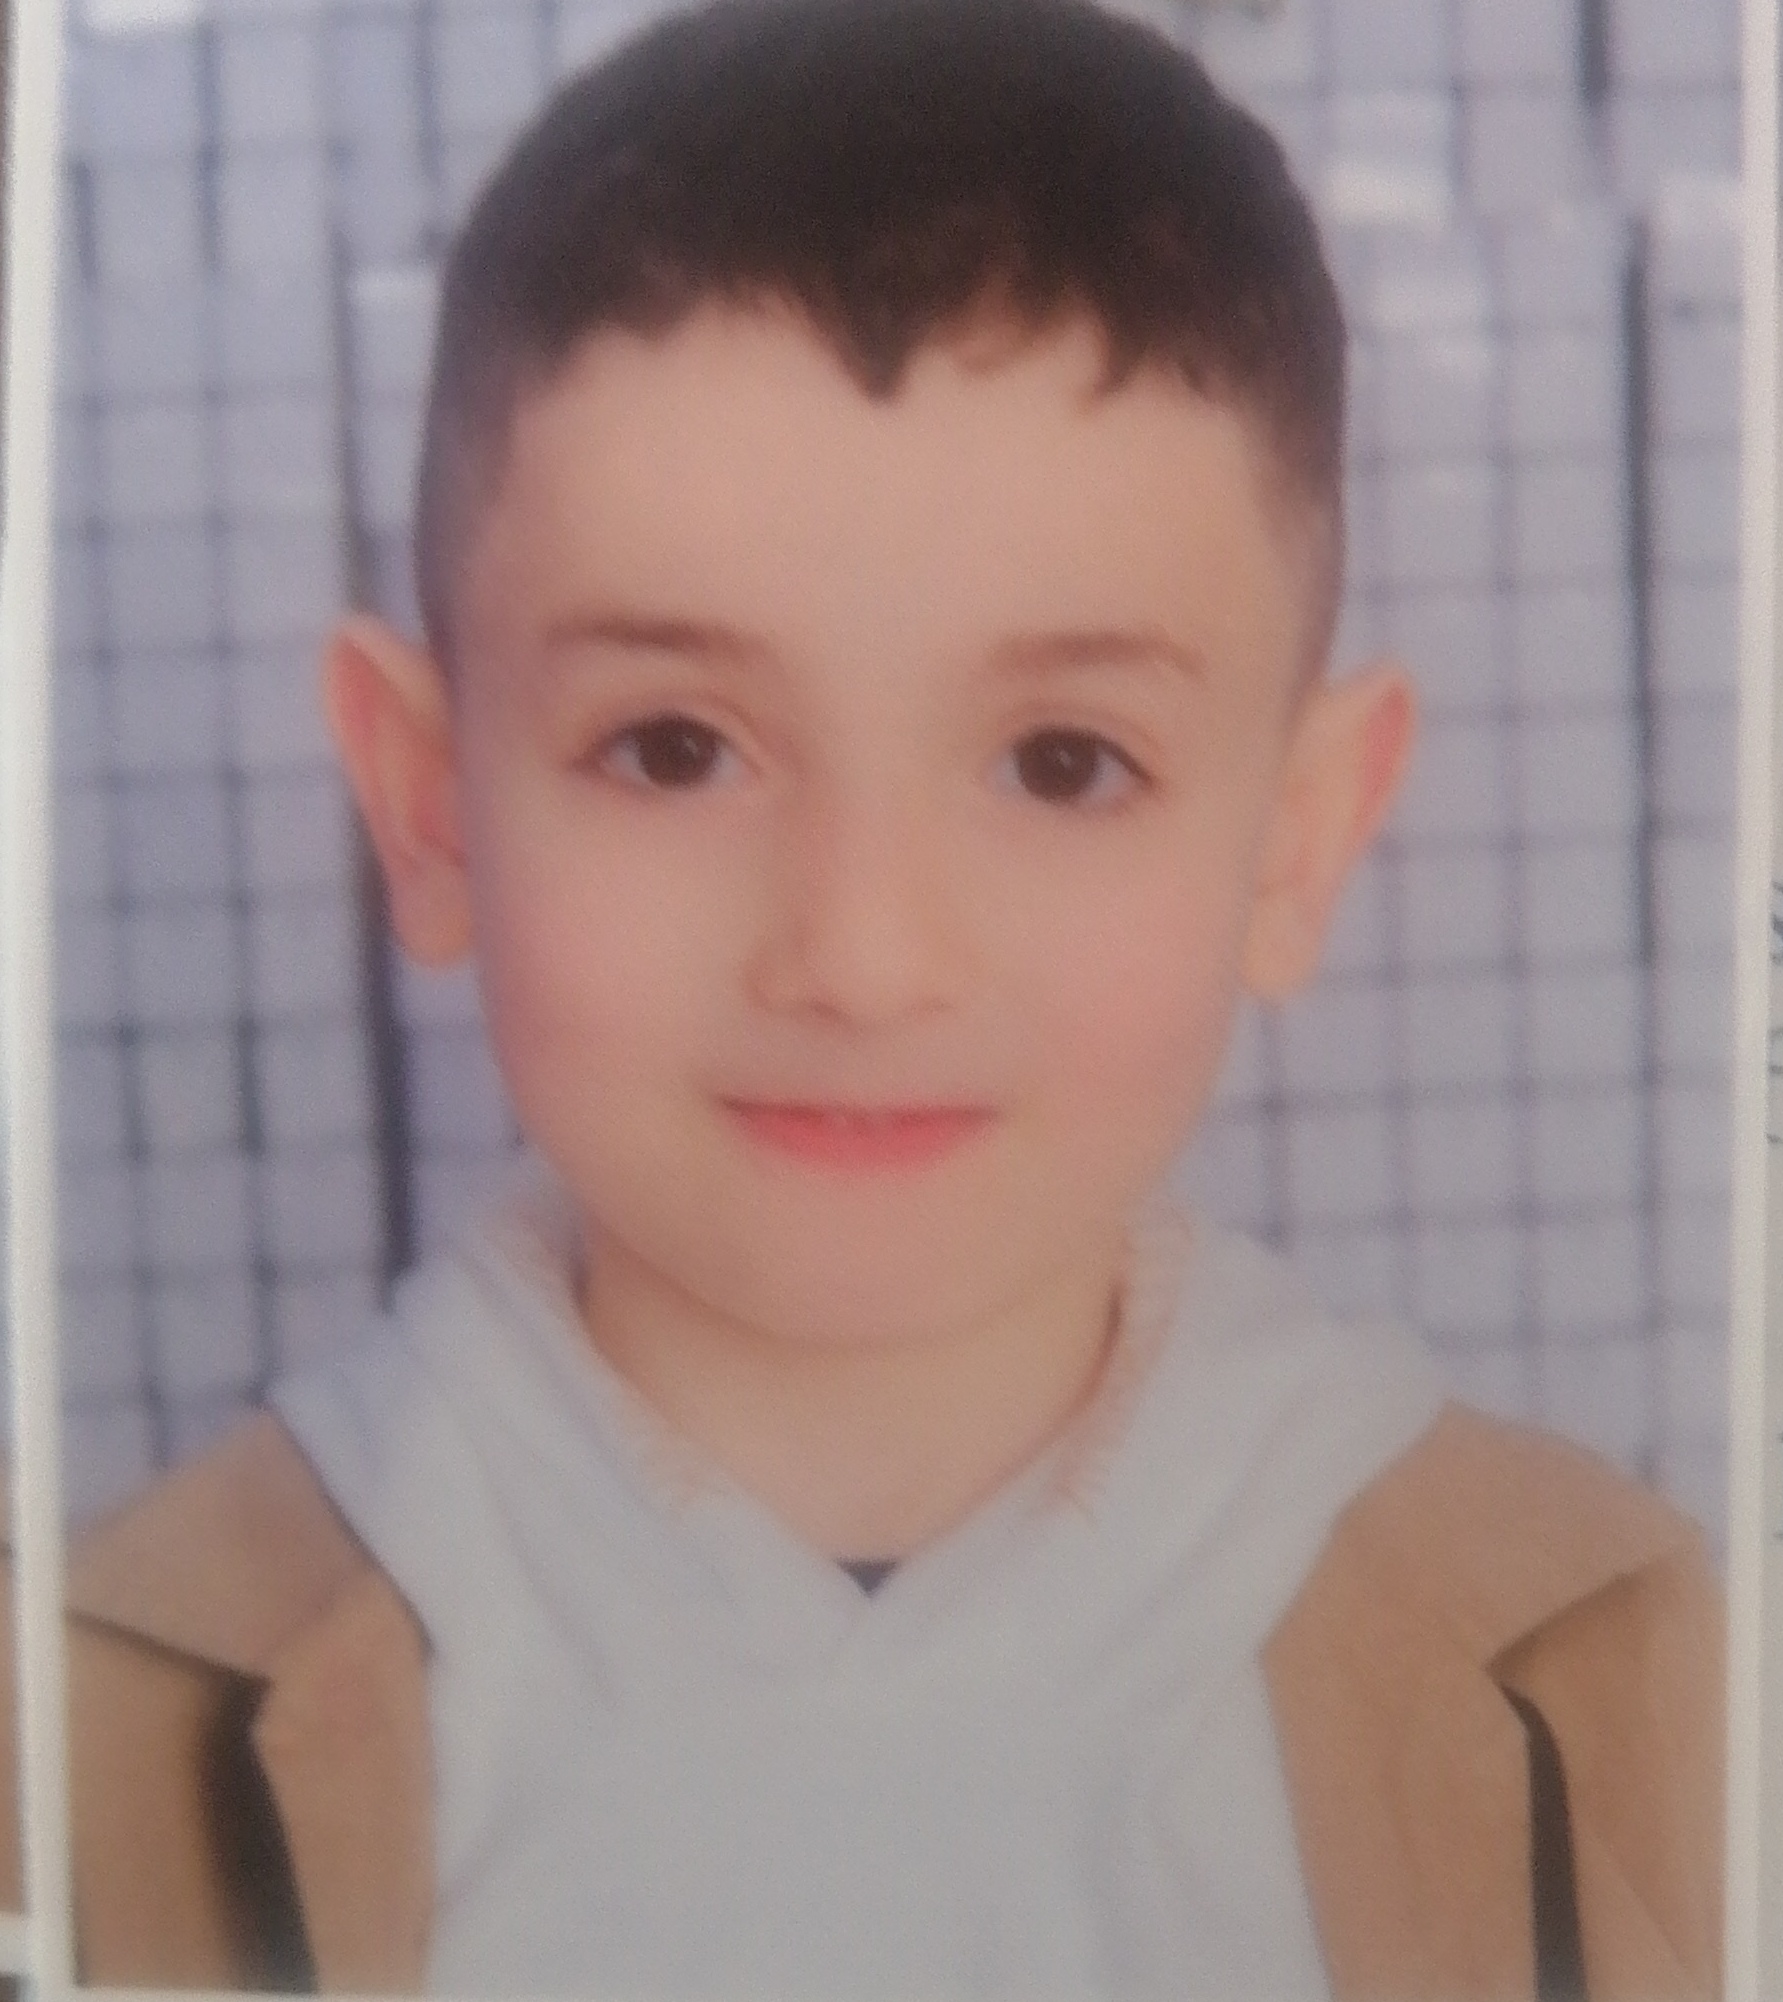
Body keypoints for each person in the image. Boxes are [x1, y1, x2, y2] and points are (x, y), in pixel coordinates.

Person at [24, 0, 1723, 1994]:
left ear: (1297, 838)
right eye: (672, 746)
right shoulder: (88, 1734)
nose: (861, 955)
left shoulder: (1638, 1699)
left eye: (1064, 761)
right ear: (426, 802)